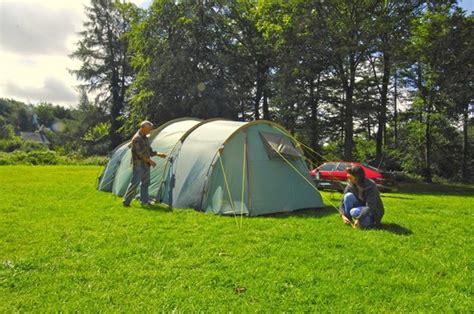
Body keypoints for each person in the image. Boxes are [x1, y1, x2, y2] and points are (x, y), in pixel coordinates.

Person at [123, 120, 167, 207]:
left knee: (145, 184)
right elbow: (140, 154)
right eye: (148, 129)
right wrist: (150, 161)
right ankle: (126, 202)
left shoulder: (145, 138)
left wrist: (159, 154)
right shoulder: (136, 139)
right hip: (139, 165)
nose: (149, 131)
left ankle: (144, 202)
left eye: (150, 130)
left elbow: (149, 151)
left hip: (146, 165)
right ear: (142, 128)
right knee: (134, 183)